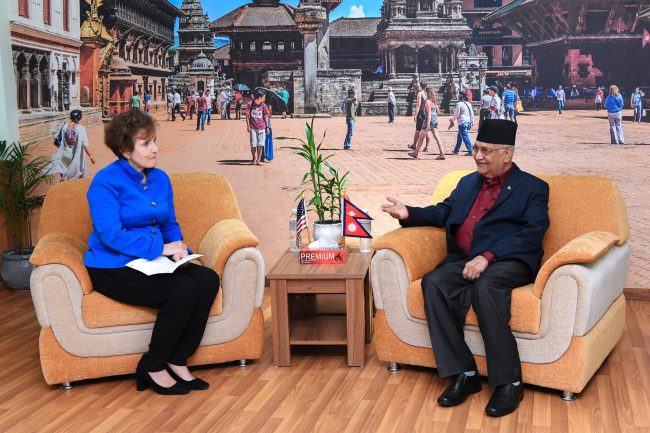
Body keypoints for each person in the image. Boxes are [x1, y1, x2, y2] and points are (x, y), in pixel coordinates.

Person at [381, 119, 550, 417]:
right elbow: (443, 212)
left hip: (508, 260)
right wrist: (408, 213)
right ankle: (464, 373)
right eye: (476, 148)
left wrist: (487, 256)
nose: (478, 156)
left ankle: (509, 382)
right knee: (433, 282)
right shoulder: (466, 183)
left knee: (486, 288)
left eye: (486, 150)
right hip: (464, 258)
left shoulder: (533, 188)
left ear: (507, 154)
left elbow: (532, 233)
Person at [84, 109, 219, 395]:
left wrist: (178, 248)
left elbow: (169, 223)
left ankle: (177, 359)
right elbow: (111, 235)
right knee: (182, 289)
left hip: (153, 261)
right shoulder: (105, 182)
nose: (155, 148)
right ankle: (152, 365)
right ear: (125, 149)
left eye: (154, 141)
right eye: (146, 143)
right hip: (113, 267)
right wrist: (160, 248)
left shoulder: (161, 179)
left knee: (208, 279)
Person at [50, 109, 96, 182]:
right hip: (75, 155)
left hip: (64, 154)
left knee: (63, 169)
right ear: (79, 118)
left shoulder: (63, 125)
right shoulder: (81, 128)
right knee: (81, 172)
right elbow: (84, 144)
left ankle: (63, 181)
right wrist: (91, 156)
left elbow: (56, 137)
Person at [409, 87, 445, 160]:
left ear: (428, 94)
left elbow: (429, 114)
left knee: (421, 137)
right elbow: (438, 111)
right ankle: (442, 154)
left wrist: (428, 125)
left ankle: (415, 153)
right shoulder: (434, 101)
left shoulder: (427, 101)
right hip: (435, 120)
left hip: (429, 121)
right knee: (436, 136)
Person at [247, 88, 270, 165]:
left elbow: (266, 116)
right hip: (253, 128)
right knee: (253, 144)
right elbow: (247, 116)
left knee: (260, 144)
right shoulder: (250, 104)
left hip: (261, 128)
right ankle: (254, 158)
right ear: (260, 97)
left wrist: (267, 127)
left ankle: (258, 160)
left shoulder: (264, 105)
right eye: (264, 97)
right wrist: (248, 126)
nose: (264, 98)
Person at [409, 82, 429, 151]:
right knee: (427, 131)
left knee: (418, 130)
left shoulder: (420, 94)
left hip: (421, 113)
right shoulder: (426, 93)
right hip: (427, 113)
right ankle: (426, 147)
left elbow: (418, 104)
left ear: (420, 86)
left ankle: (414, 145)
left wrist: (415, 114)